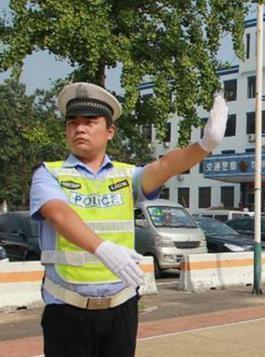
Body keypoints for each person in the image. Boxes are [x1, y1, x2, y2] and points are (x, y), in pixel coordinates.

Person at [30, 82, 228, 357]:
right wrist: (103, 249)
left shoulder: (126, 176)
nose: (79, 129)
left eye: (89, 122)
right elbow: (58, 213)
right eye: (72, 123)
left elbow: (166, 165)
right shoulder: (49, 174)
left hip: (121, 307)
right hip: (66, 309)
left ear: (110, 131)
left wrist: (206, 145)